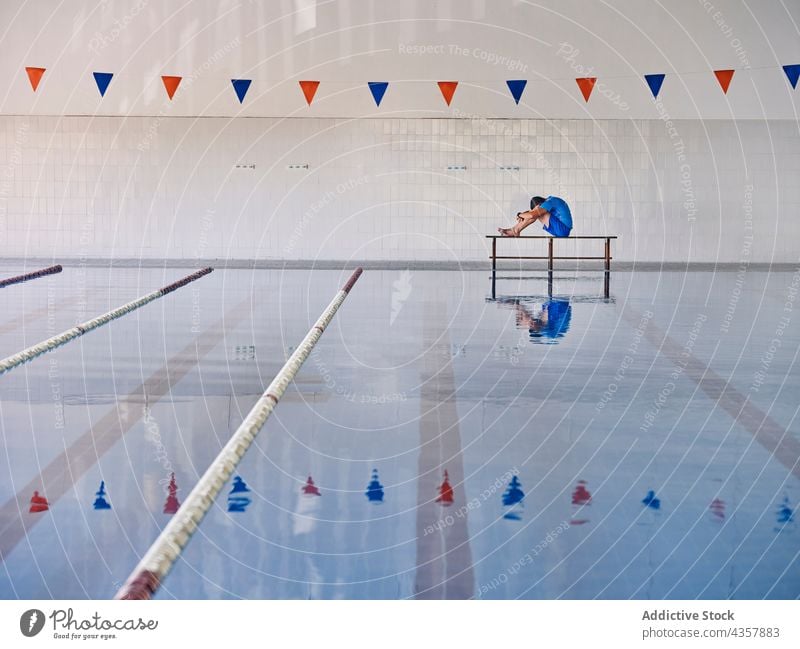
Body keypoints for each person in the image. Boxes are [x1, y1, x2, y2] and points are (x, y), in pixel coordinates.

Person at [498, 195, 572, 238]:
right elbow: (532, 213)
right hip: (559, 230)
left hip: (563, 229)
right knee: (535, 213)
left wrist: (519, 214)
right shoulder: (547, 203)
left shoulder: (550, 202)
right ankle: (514, 230)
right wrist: (523, 215)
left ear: (540, 204)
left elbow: (532, 215)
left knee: (536, 214)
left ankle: (515, 231)